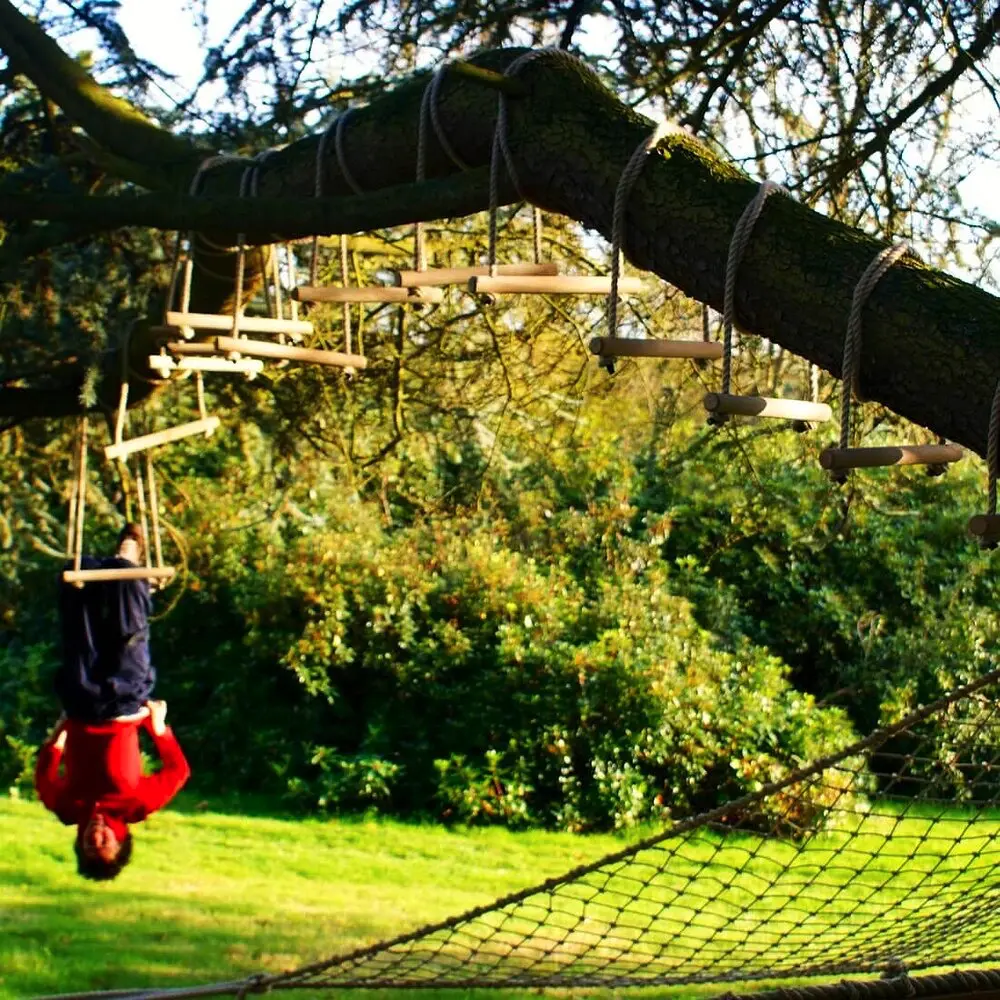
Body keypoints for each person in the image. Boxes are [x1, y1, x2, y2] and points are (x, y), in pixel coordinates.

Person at [35, 523, 190, 880]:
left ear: (79, 841)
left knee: (79, 622)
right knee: (128, 632)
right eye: (105, 842)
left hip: (82, 704)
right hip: (125, 705)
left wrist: (56, 742)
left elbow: (44, 779)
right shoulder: (138, 806)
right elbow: (178, 772)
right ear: (122, 838)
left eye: (90, 844)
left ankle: (101, 568)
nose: (97, 835)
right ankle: (128, 557)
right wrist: (159, 730)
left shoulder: (67, 808)